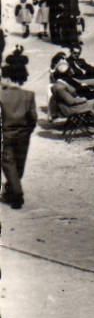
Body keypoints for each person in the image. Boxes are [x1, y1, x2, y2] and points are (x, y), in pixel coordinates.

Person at [0, 52, 37, 207]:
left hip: (6, 134)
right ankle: (10, 190)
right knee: (19, 164)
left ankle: (17, 192)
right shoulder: (29, 95)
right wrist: (27, 130)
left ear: (8, 77)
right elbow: (33, 118)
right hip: (23, 135)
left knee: (8, 163)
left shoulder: (1, 95)